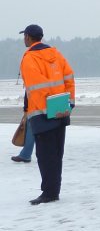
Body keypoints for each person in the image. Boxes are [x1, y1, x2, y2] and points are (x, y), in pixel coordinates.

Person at [18, 24, 75, 205]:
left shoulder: (29, 58)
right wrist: (68, 104)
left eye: (24, 36)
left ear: (28, 37)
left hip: (43, 114)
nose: (23, 39)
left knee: (45, 156)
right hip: (60, 111)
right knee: (56, 154)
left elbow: (36, 87)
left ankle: (49, 193)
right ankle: (53, 190)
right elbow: (69, 78)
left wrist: (45, 109)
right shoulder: (56, 54)